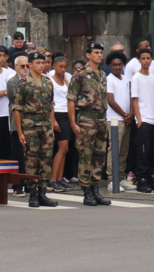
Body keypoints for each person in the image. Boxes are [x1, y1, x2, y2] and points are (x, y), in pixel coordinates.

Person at [67, 41, 112, 206]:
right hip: (86, 118)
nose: (99, 55)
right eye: (96, 53)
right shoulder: (80, 74)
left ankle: (95, 188)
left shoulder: (102, 74)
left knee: (99, 156)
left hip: (101, 118)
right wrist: (73, 123)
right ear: (88, 55)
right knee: (86, 154)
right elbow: (71, 100)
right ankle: (86, 191)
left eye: (101, 52)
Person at [12, 51, 59, 207]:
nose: (41, 65)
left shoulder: (48, 82)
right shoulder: (24, 83)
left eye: (43, 63)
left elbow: (51, 106)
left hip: (45, 125)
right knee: (32, 160)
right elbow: (17, 109)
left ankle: (42, 192)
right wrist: (20, 132)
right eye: (37, 63)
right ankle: (32, 193)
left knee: (46, 160)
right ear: (30, 64)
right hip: (30, 125)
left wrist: (52, 126)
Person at [131, 49, 154, 193]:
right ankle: (141, 179)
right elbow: (135, 99)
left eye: (148, 58)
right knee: (142, 151)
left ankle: (150, 177)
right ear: (139, 60)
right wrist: (139, 119)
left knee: (152, 151)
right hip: (144, 119)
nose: (146, 61)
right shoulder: (136, 77)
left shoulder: (152, 78)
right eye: (143, 58)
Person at [104, 51, 134, 191]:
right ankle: (112, 179)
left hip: (126, 119)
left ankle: (121, 178)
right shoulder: (109, 79)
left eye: (120, 64)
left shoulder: (126, 78)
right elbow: (110, 100)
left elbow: (130, 97)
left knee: (124, 151)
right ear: (109, 66)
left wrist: (130, 115)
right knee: (114, 150)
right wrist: (124, 114)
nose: (117, 67)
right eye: (114, 65)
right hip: (114, 120)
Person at [48, 56, 75, 191]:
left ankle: (60, 178)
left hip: (66, 114)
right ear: (54, 66)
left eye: (65, 67)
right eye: (60, 67)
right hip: (57, 114)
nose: (63, 69)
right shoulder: (50, 80)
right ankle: (52, 179)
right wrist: (53, 120)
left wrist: (65, 79)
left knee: (66, 148)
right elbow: (50, 102)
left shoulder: (64, 79)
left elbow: (70, 95)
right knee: (62, 148)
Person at [7, 55, 29, 196]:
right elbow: (20, 100)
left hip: (31, 123)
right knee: (18, 156)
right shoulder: (12, 82)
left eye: (27, 66)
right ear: (16, 68)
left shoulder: (34, 80)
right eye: (23, 66)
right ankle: (17, 185)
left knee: (30, 156)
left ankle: (28, 183)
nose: (26, 69)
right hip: (18, 123)